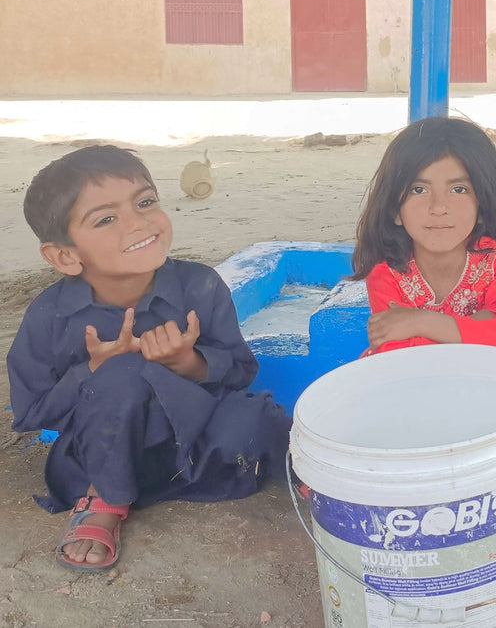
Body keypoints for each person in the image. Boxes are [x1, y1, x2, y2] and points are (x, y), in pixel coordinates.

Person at [7, 145, 290, 571]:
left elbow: (241, 372)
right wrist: (92, 372)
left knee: (261, 418)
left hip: (193, 448)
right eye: (106, 218)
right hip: (95, 458)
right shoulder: (49, 315)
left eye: (145, 202)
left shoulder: (200, 286)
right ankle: (106, 498)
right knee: (122, 372)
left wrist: (187, 362)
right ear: (65, 255)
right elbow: (31, 413)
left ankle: (166, 486)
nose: (139, 221)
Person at [350, 116, 496, 358]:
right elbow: (394, 353)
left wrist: (421, 323)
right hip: (410, 387)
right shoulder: (387, 272)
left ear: (482, 208)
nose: (438, 207)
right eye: (419, 190)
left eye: (458, 189)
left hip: (481, 387)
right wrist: (481, 327)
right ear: (395, 211)